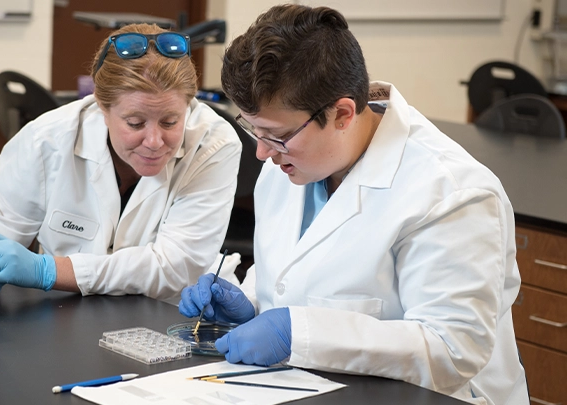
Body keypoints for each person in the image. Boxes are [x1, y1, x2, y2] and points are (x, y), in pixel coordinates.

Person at [178, 5, 528, 405]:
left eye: (274, 135)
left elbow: (451, 349)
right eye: (252, 129)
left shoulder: (451, 191)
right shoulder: (293, 156)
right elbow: (302, 268)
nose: (260, 152)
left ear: (342, 113)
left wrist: (297, 332)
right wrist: (252, 301)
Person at [0, 23, 241, 302]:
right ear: (101, 105)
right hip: (68, 314)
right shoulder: (46, 141)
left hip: (172, 312)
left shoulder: (214, 145)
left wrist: (48, 271)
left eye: (170, 122)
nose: (154, 141)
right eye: (135, 123)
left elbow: (175, 266)